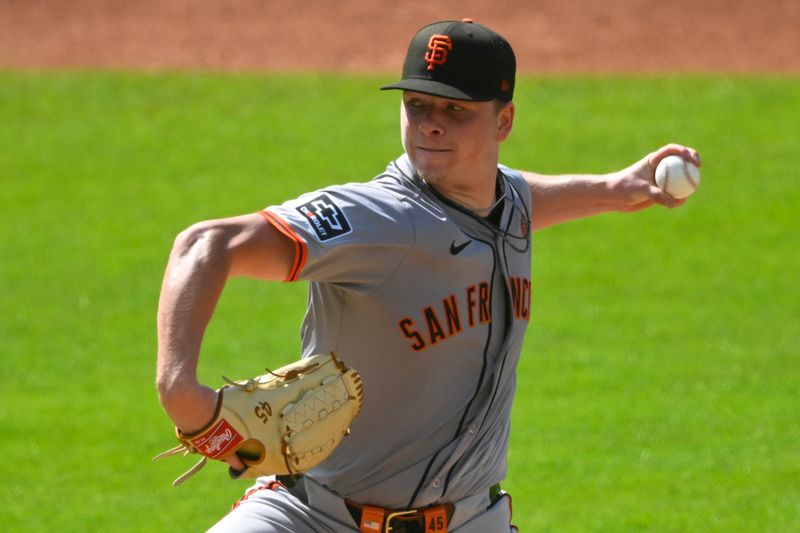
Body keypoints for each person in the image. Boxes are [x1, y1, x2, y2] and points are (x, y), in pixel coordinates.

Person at [156, 18, 700, 533]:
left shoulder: (506, 203)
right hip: (312, 516)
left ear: (503, 121)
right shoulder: (379, 217)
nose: (430, 123)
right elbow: (207, 243)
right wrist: (180, 389)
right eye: (416, 105)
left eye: (456, 109)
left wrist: (615, 189)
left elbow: (519, 197)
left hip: (468, 520)